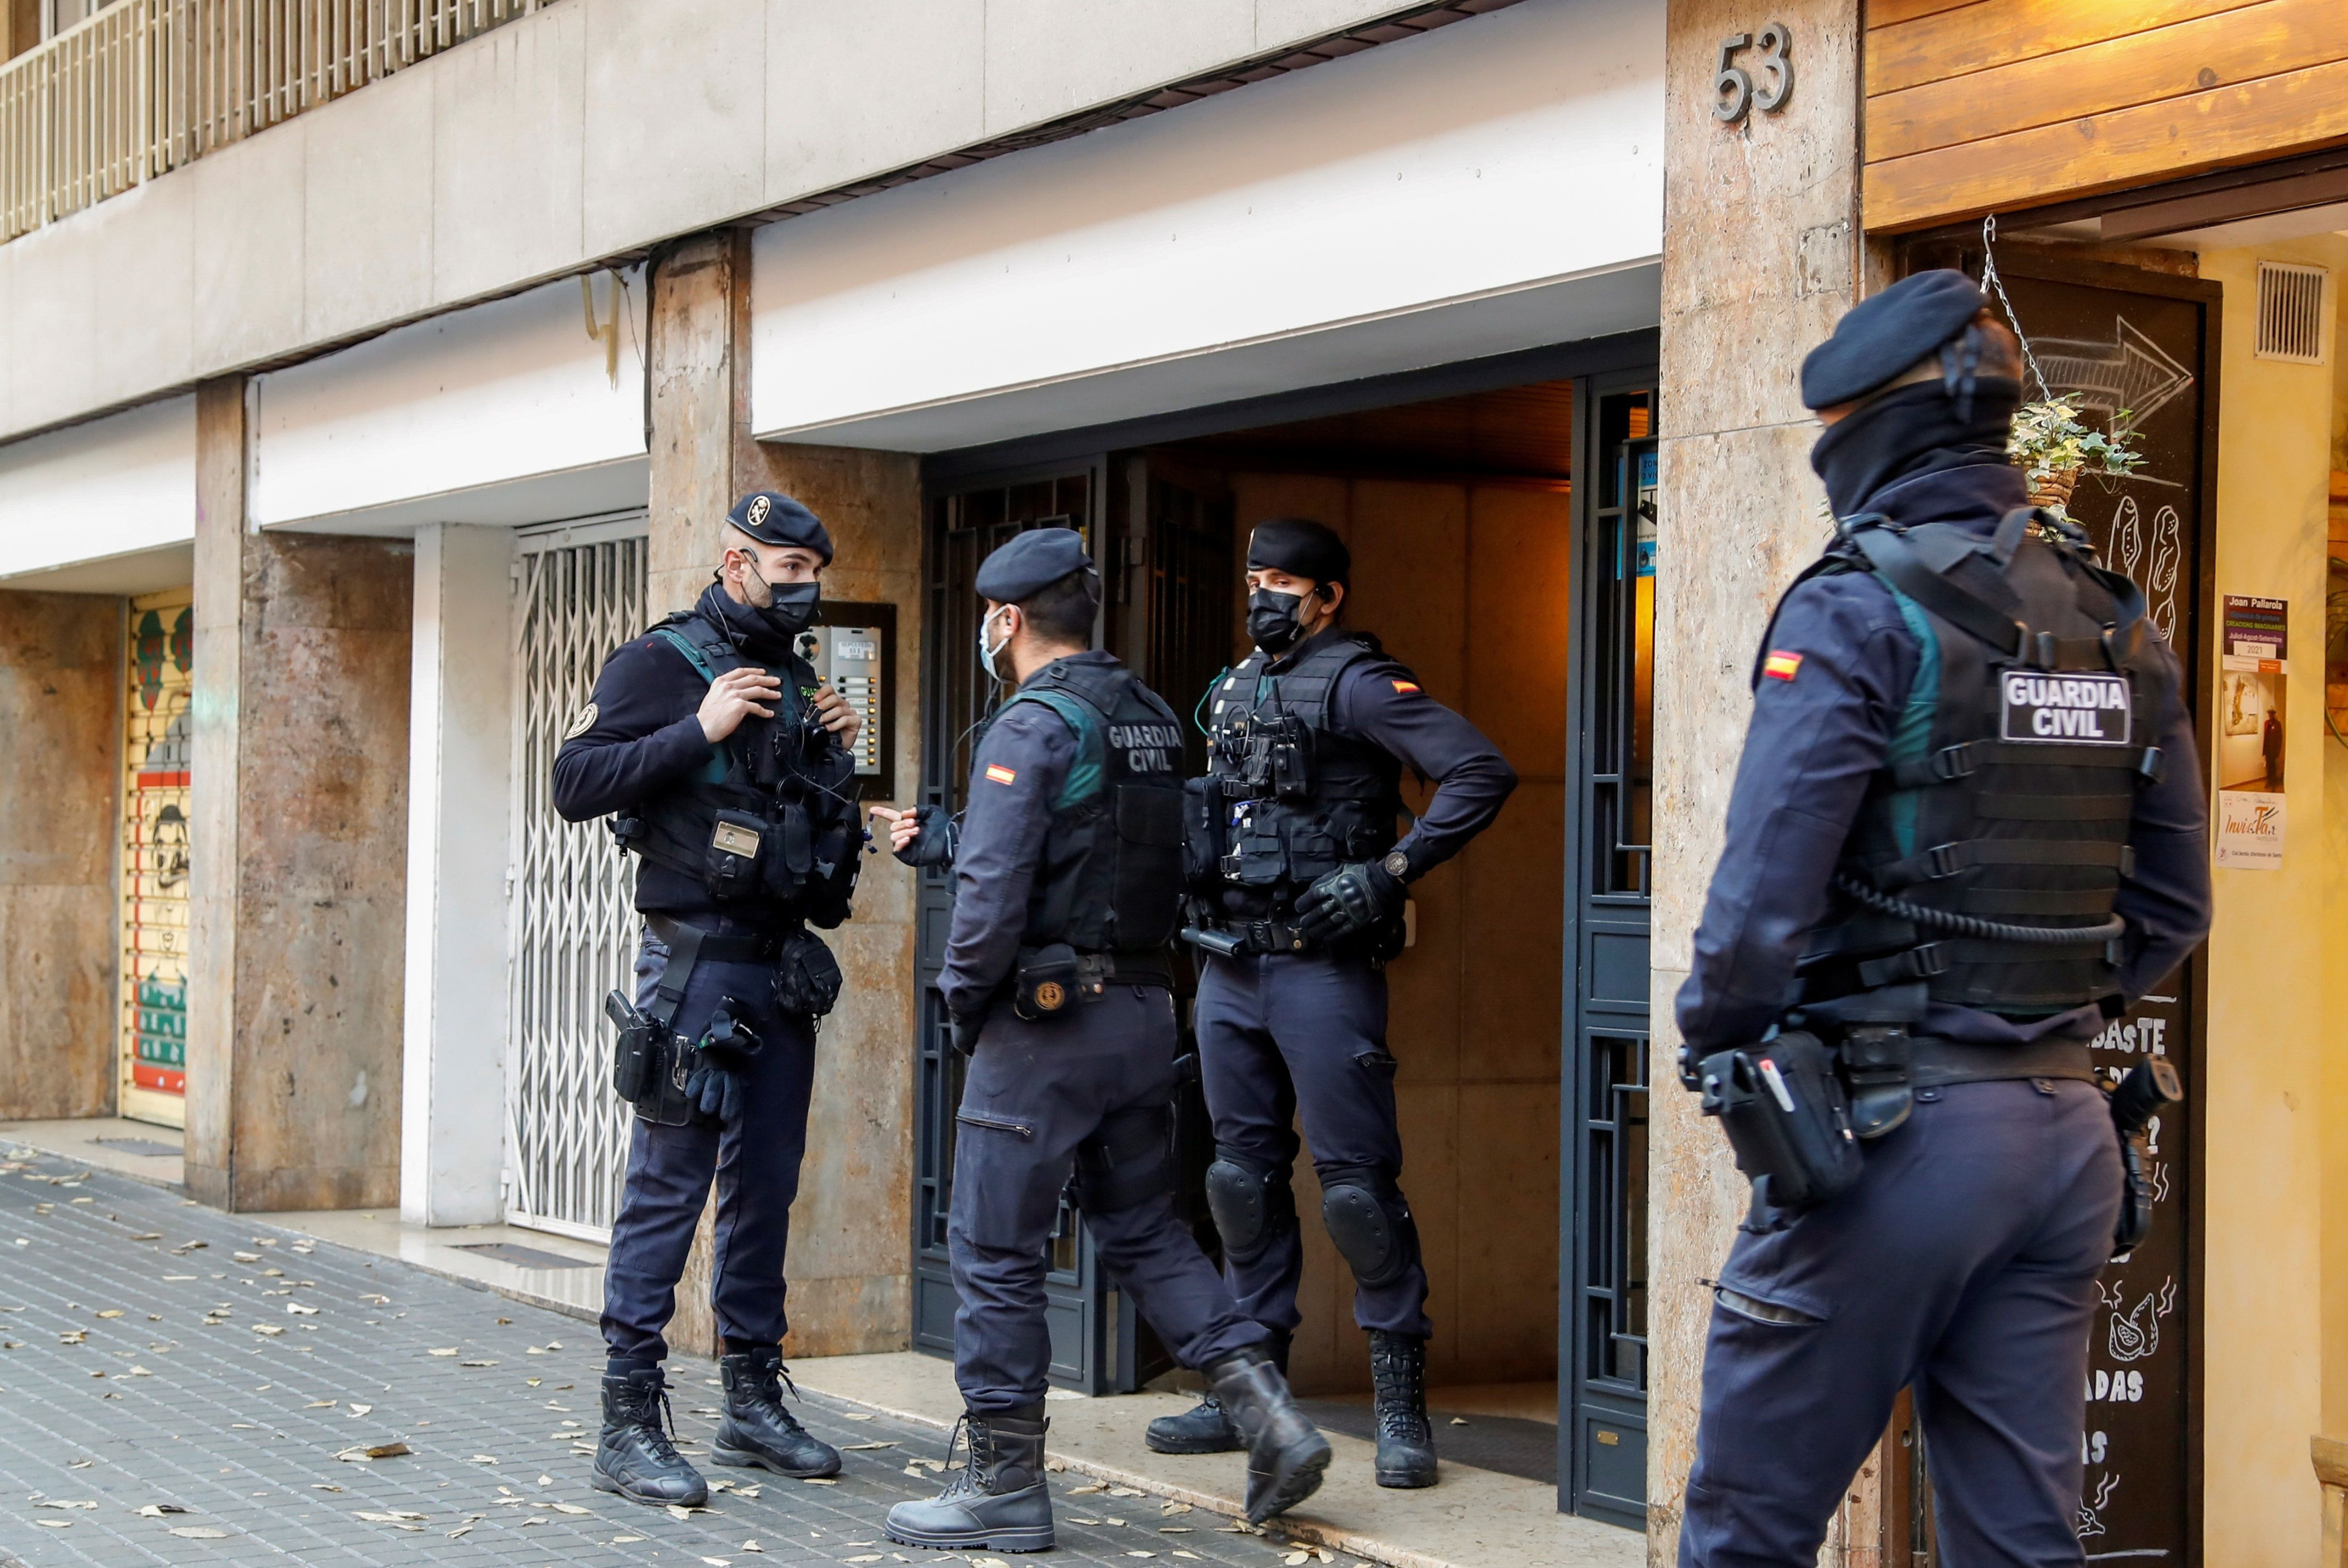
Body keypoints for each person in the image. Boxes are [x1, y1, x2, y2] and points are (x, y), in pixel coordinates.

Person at [1671, 271, 2212, 1563]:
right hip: (2067, 1138)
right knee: (2017, 1536)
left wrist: (1721, 1034)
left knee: (1746, 1522)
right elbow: (2174, 904)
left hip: (1886, 1135)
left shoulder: (1855, 603)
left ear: (1866, 431)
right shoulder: (2112, 621)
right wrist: (2032, 998)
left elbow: (1756, 901)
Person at [871, 528, 1330, 1550]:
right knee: (1147, 1231)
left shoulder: (1031, 723)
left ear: (1006, 619)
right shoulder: (1156, 717)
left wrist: (964, 1001)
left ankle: (1002, 1485)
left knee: (993, 1250)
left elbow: (992, 893)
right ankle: (1271, 1417)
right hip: (1140, 1009)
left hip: (1044, 1027)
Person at [1151, 518, 1516, 1489]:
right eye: (1253, 577)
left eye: (1281, 581)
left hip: (1322, 971)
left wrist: (1393, 872)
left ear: (1327, 597)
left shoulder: (1358, 682)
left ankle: (1403, 1410)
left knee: (1357, 1193)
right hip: (1230, 969)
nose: (1262, 594)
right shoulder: (1234, 686)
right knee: (1239, 1185)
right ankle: (1252, 1399)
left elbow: (1480, 771)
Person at [554, 491, 868, 1508]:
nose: (806, 593)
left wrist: (837, 757)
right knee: (668, 1187)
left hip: (778, 968)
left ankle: (749, 1397)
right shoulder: (662, 662)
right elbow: (575, 780)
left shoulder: (795, 674)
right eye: (789, 575)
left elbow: (812, 841)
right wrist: (698, 726)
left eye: (814, 576)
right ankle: (627, 1416)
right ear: (738, 563)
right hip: (692, 969)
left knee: (766, 1187)